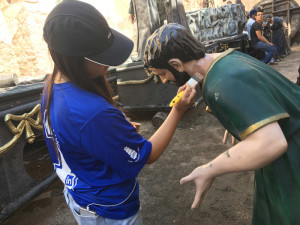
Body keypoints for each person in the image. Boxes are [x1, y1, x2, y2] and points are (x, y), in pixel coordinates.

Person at [41, 1, 196, 225]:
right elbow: (147, 155)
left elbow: (77, 137)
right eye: (102, 56)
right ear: (77, 59)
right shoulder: (94, 114)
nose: (109, 64)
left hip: (80, 193)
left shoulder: (52, 85)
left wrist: (113, 130)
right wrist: (178, 110)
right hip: (108, 210)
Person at [143, 23, 300, 225]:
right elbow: (200, 72)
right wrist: (240, 117)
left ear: (176, 63)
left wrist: (210, 169)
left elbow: (271, 143)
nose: (164, 81)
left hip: (292, 159)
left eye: (162, 74)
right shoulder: (226, 58)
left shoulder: (222, 82)